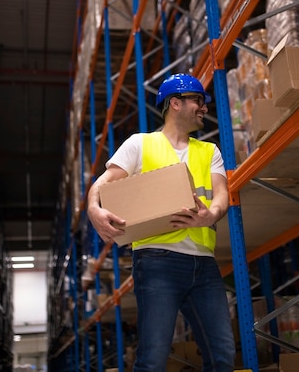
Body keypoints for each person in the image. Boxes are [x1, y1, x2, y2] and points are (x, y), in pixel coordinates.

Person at [87, 74, 235, 372]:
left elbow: (221, 196)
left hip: (203, 265)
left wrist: (211, 214)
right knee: (153, 358)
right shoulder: (140, 145)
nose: (204, 107)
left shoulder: (210, 152)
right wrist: (93, 209)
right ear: (175, 103)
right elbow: (102, 184)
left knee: (223, 354)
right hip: (157, 262)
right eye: (198, 100)